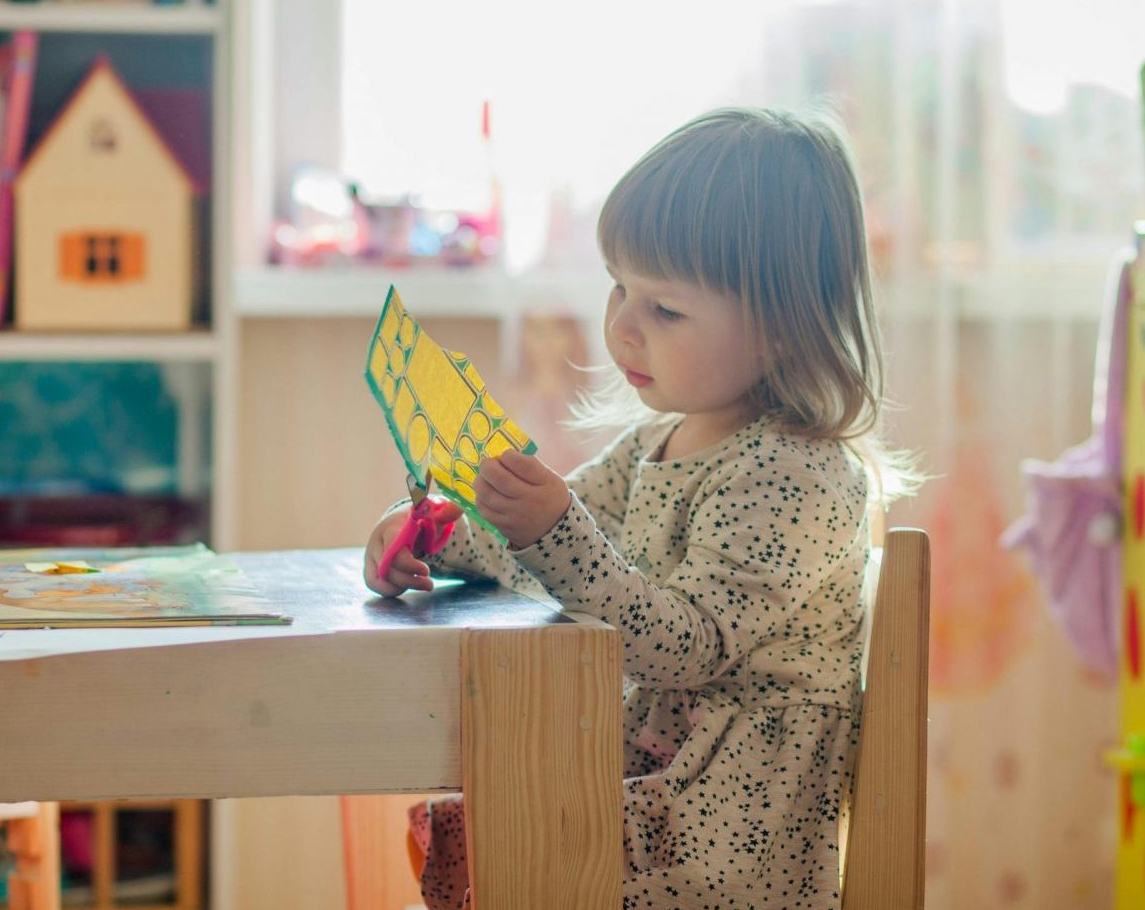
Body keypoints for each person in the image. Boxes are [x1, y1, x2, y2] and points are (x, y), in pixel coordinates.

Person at [364, 106, 916, 909]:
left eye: (666, 310)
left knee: (514, 822)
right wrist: (440, 534)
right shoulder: (661, 439)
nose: (621, 325)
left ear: (784, 330)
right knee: (497, 801)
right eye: (621, 286)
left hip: (723, 838)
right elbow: (557, 545)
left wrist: (554, 532)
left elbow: (685, 643)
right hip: (655, 786)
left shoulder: (801, 475)